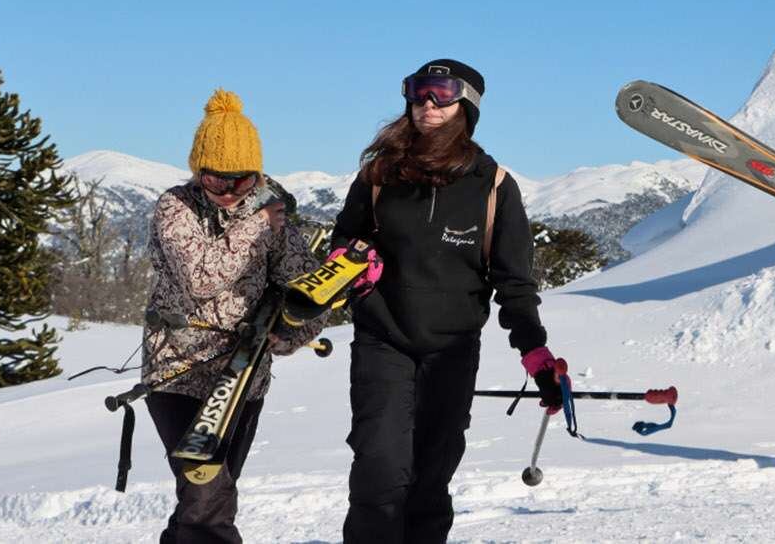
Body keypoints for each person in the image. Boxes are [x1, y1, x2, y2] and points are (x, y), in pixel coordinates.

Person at [334, 59, 561, 543]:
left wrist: (535, 352)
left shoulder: (493, 185)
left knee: (431, 475)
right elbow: (342, 245)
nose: (426, 104)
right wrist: (355, 263)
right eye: (417, 92)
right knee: (379, 468)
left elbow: (513, 280)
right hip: (383, 338)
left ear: (466, 105)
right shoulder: (379, 174)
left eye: (440, 92)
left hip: (453, 347)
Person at [141, 89, 325, 543]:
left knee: (205, 498)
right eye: (214, 180)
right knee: (208, 497)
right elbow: (201, 278)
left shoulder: (275, 213)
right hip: (178, 372)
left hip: (245, 374)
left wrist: (294, 334)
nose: (227, 192)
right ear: (195, 171)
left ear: (256, 175)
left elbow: (307, 287)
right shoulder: (175, 207)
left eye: (241, 182)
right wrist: (258, 223)